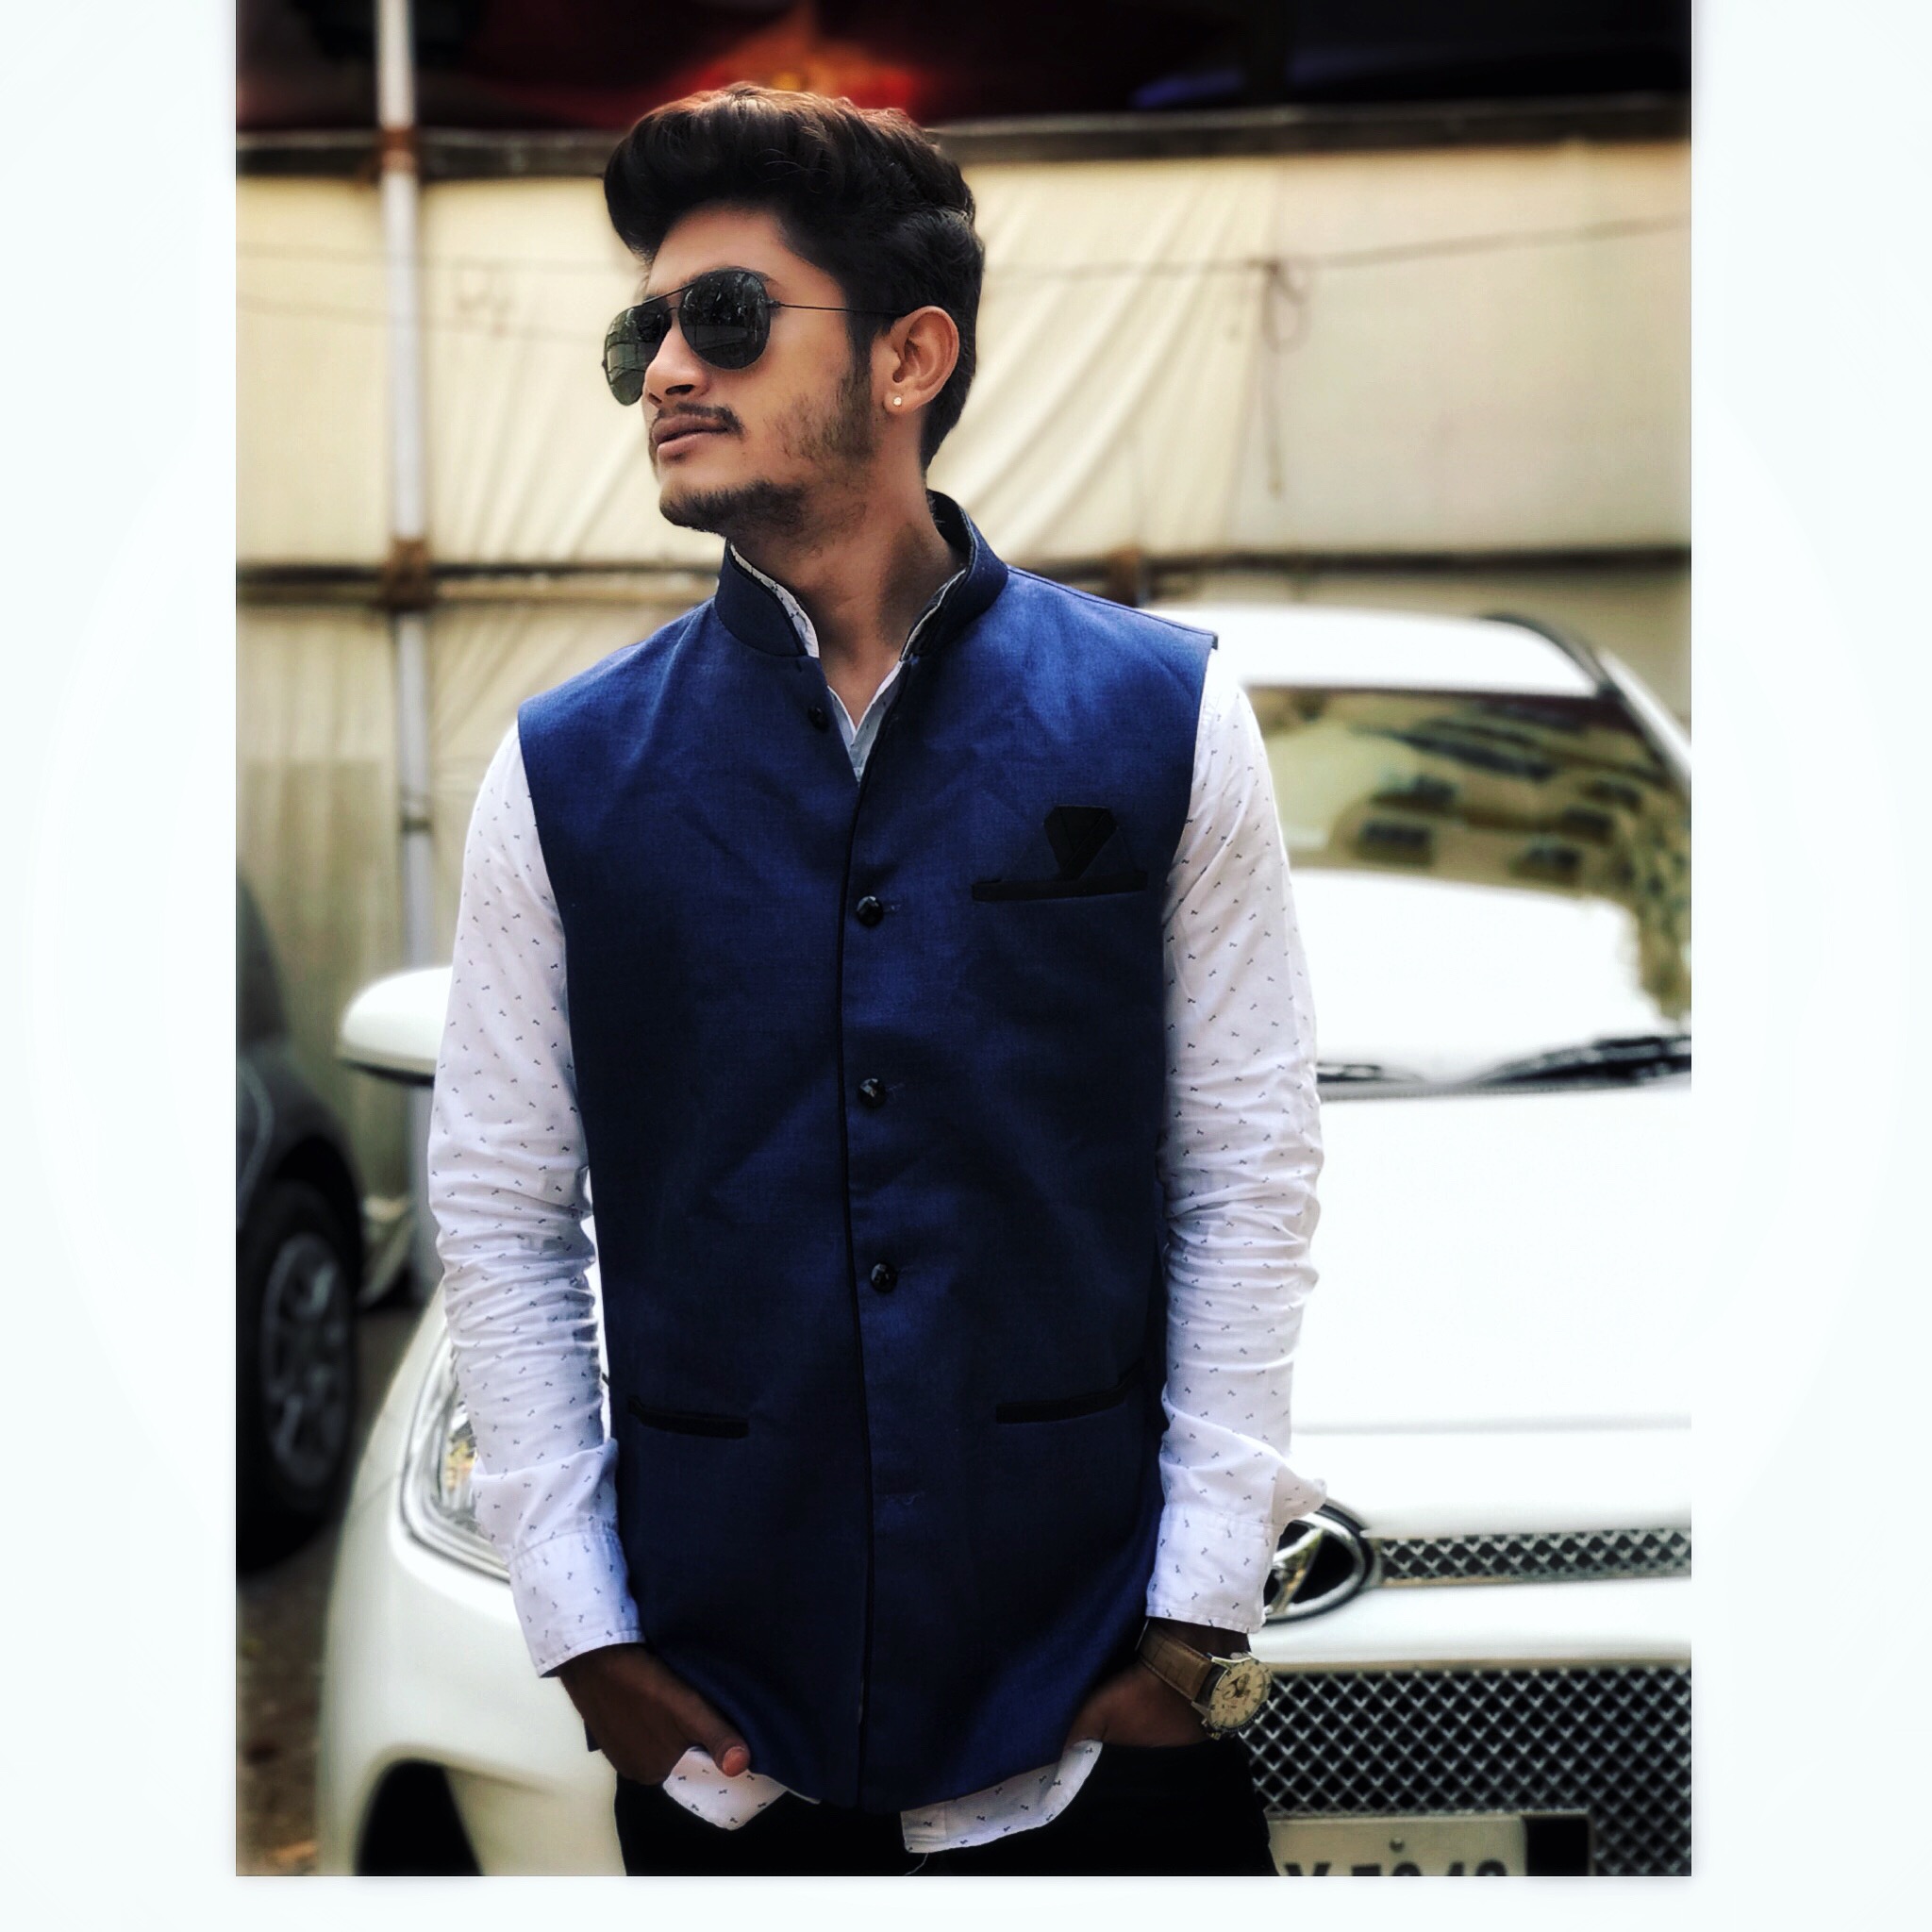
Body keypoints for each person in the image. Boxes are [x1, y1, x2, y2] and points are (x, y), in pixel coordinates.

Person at [427, 82, 1324, 1878]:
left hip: (1088, 1705)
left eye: (726, 316)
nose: (669, 369)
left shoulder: (1163, 718)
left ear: (911, 355)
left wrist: (1196, 1609)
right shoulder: (563, 772)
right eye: (642, 334)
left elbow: (1245, 1169)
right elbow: (504, 1211)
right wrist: (581, 1634)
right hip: (723, 1732)